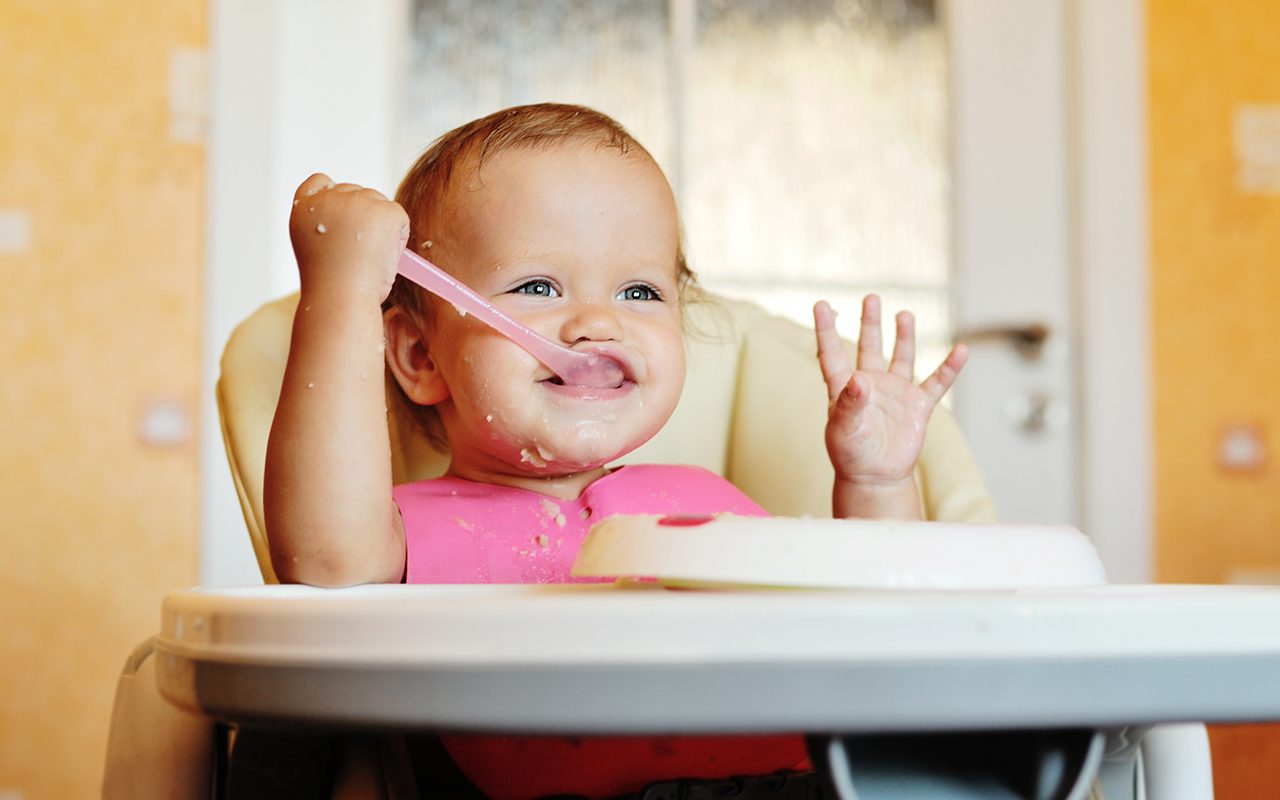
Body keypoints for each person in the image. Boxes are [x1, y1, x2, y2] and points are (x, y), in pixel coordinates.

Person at [264, 103, 968, 799]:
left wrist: (876, 481)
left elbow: (880, 637)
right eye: (538, 286)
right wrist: (342, 289)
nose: (599, 322)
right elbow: (325, 562)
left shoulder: (703, 506)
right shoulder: (400, 533)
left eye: (639, 290)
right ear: (421, 356)